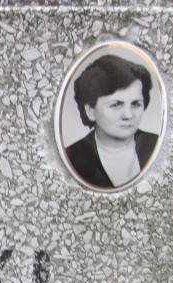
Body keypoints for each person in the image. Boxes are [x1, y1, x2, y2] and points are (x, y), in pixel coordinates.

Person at [66, 54, 159, 189]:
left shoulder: (156, 146)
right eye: (116, 105)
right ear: (90, 110)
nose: (128, 115)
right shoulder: (73, 158)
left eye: (136, 104)